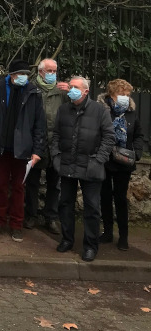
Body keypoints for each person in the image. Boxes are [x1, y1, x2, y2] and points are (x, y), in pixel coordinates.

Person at [51, 76, 114, 262]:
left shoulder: (100, 110)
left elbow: (109, 137)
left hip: (91, 167)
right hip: (68, 165)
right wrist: (56, 157)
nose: (70, 89)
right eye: (70, 86)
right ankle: (67, 239)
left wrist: (98, 160)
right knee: (65, 205)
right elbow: (55, 135)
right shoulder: (63, 109)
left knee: (92, 208)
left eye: (75, 87)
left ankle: (90, 246)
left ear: (86, 91)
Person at [0, 59, 45, 241]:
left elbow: (40, 124)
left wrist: (37, 150)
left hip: (23, 149)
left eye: (26, 74)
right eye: (20, 74)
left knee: (19, 188)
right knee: (0, 185)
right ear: (11, 75)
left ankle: (17, 224)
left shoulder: (33, 93)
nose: (23, 77)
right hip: (1, 147)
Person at [23, 58, 69, 234]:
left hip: (57, 144)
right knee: (32, 182)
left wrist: (72, 89)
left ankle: (51, 217)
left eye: (55, 71)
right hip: (37, 142)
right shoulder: (31, 88)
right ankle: (31, 215)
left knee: (54, 184)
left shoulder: (62, 90)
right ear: (41, 71)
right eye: (49, 71)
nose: (52, 74)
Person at [98, 79, 143, 251]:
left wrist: (136, 152)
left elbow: (139, 135)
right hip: (106, 160)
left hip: (124, 162)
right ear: (111, 94)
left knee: (121, 199)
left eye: (127, 94)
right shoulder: (102, 111)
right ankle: (107, 232)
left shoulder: (131, 113)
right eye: (121, 94)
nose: (125, 97)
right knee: (105, 196)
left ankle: (123, 236)